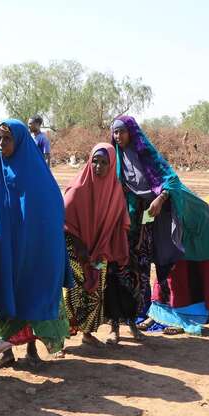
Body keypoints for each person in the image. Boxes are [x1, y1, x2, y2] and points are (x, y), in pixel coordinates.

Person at [111, 116, 209, 337]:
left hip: (159, 221)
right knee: (122, 269)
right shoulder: (115, 160)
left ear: (132, 132)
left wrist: (160, 199)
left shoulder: (146, 155)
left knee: (152, 269)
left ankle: (155, 316)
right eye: (115, 132)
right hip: (127, 223)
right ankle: (128, 319)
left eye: (122, 131)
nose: (118, 136)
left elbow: (171, 180)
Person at [0, 119, 69, 367]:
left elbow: (52, 213)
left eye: (6, 139)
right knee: (4, 296)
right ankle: (6, 351)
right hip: (3, 250)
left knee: (31, 295)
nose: (1, 144)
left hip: (32, 251)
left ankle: (31, 347)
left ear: (18, 141)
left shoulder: (37, 172)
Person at [62, 143, 130, 345]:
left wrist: (107, 247)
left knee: (95, 293)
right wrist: (80, 247)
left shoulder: (115, 190)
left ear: (111, 165)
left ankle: (87, 333)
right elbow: (64, 221)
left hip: (100, 250)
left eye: (103, 163)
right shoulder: (77, 189)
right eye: (95, 161)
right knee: (72, 292)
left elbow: (120, 221)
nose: (98, 167)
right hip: (76, 250)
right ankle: (63, 336)